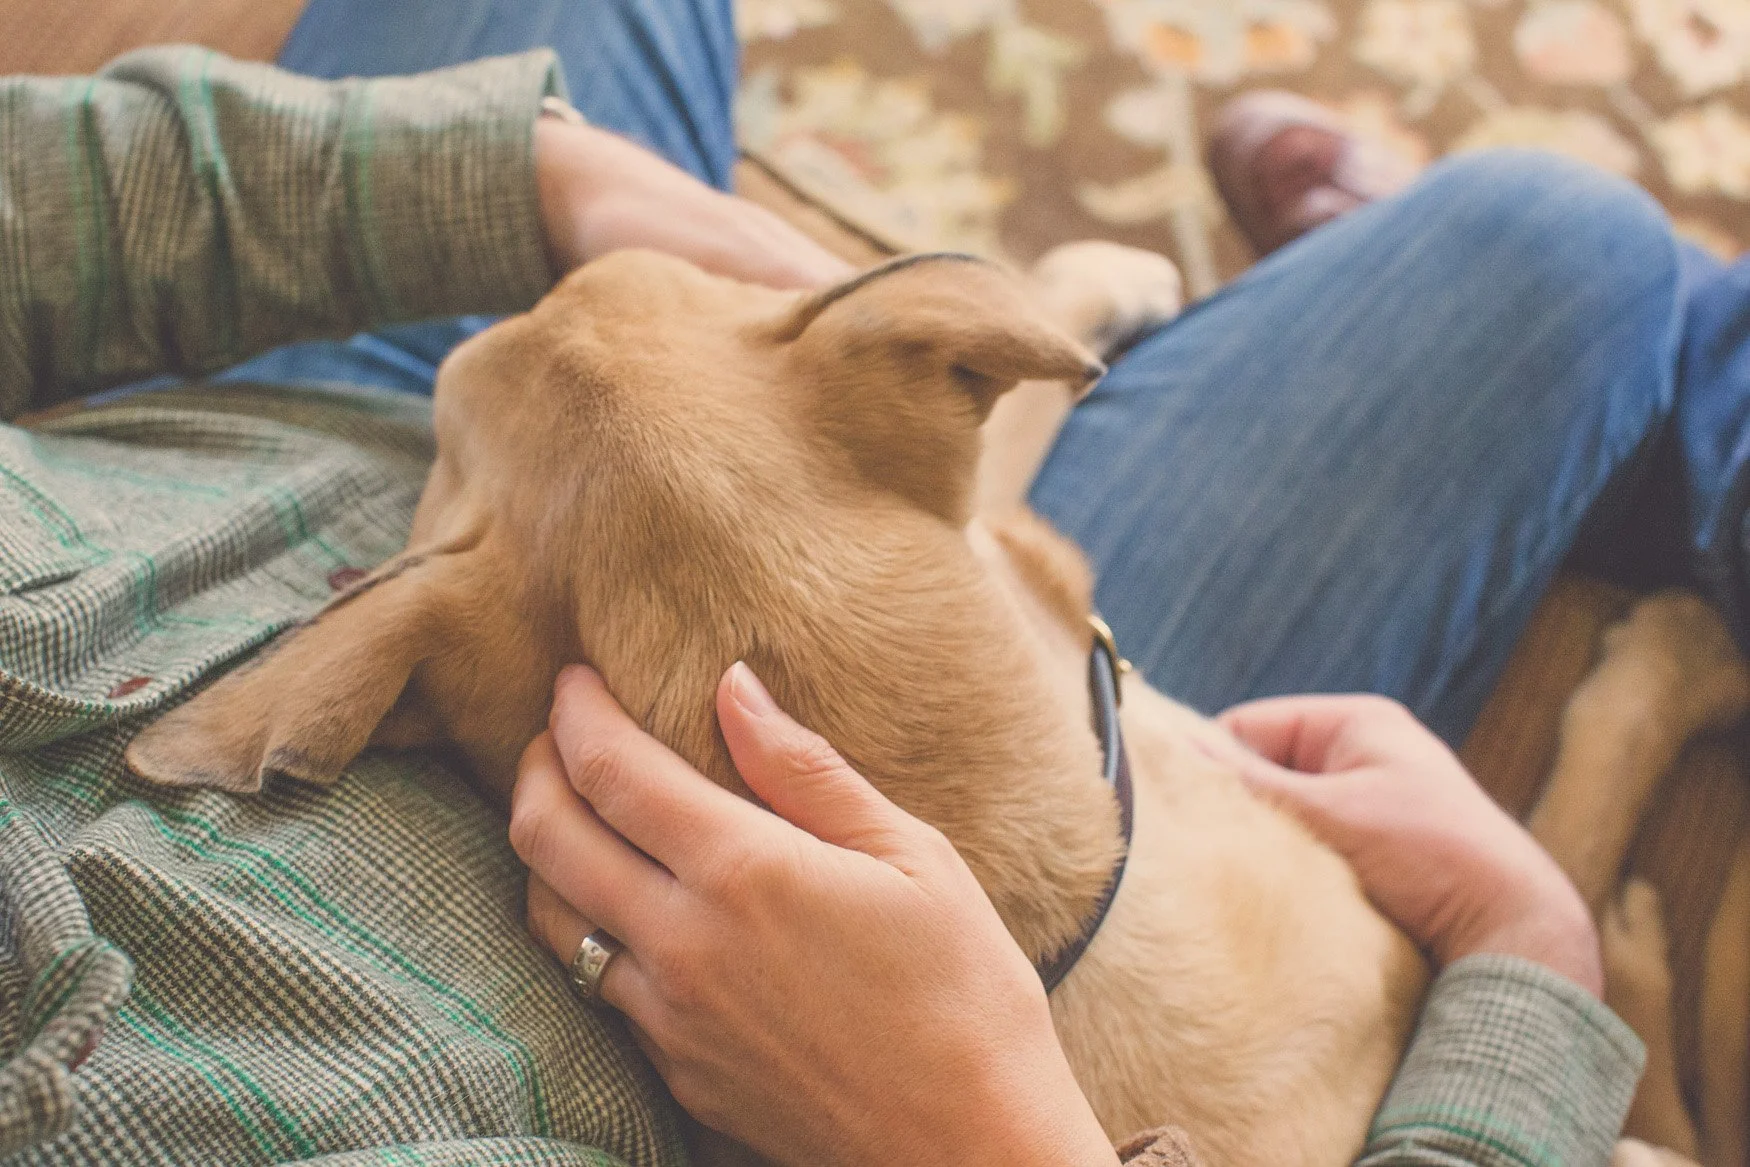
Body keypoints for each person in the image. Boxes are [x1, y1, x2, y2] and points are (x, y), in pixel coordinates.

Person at [0, 0, 1737, 1162]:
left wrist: (528, 178)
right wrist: (986, 1128)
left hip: (392, 488)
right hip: (896, 1039)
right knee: (1555, 248)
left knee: (1551, 250)